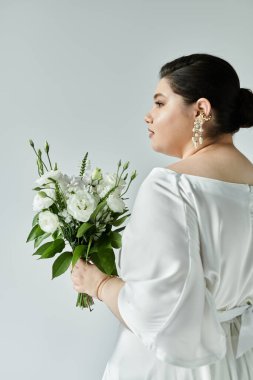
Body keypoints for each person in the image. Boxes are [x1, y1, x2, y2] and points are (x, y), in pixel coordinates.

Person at [71, 53, 253, 379]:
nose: (148, 116)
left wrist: (98, 284)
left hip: (173, 367)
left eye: (159, 103)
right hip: (235, 362)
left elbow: (157, 312)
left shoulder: (172, 187)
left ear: (200, 110)